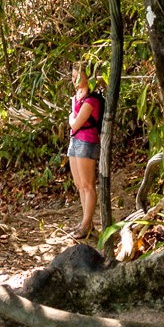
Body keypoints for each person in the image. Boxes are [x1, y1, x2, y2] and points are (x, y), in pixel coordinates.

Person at [67, 62, 102, 238]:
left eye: (77, 77)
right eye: (72, 77)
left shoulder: (91, 99)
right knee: (79, 184)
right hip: (75, 142)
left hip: (87, 142)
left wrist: (71, 117)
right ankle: (86, 223)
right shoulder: (77, 98)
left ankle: (86, 224)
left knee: (88, 185)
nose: (74, 80)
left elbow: (75, 123)